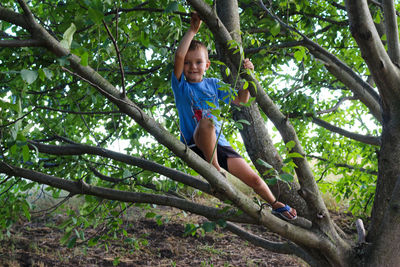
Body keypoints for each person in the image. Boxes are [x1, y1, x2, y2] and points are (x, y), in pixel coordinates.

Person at [171, 12, 297, 220]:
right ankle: (216, 172)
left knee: (255, 180)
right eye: (188, 63)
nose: (192, 67)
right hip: (196, 143)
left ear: (207, 65)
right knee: (207, 122)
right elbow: (178, 56)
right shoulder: (180, 86)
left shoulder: (213, 85)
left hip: (219, 143)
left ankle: (274, 203)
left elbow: (241, 100)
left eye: (198, 62)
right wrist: (193, 31)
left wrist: (248, 77)